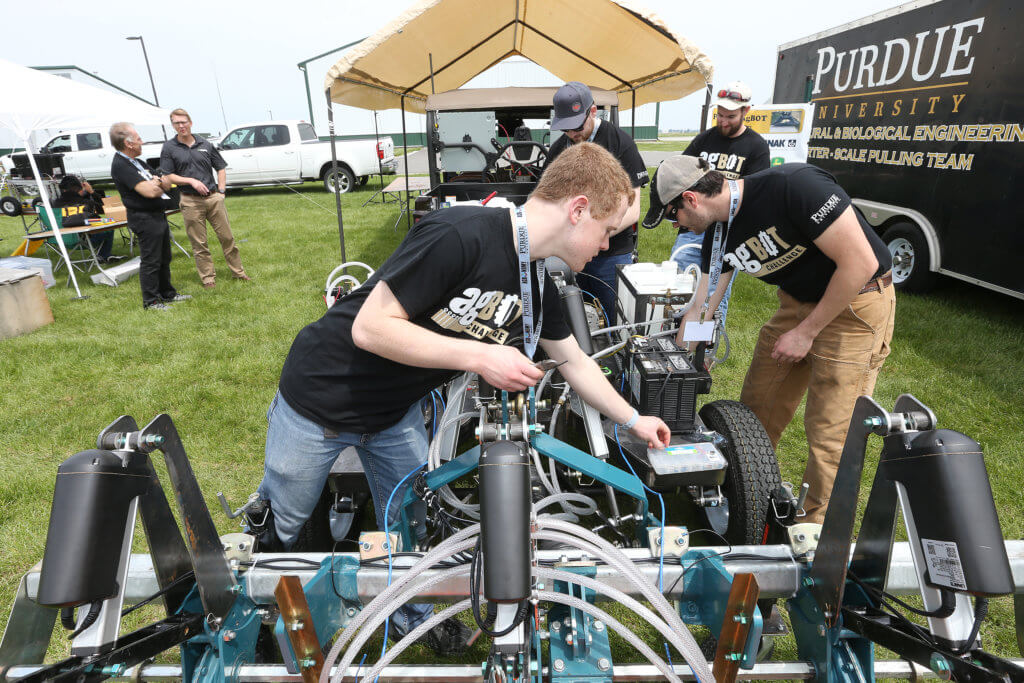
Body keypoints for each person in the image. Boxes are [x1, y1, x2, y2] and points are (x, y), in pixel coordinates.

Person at [258, 142, 670, 654]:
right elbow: (369, 328)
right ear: (578, 208)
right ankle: (260, 617)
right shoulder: (460, 233)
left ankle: (412, 617)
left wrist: (633, 418)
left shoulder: (538, 277)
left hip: (393, 414)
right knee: (286, 519)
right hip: (322, 399)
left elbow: (576, 361)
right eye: (607, 230)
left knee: (407, 520)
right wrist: (478, 357)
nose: (607, 246)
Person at [644, 155, 895, 524]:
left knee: (830, 435)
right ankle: (748, 502)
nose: (676, 225)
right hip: (797, 303)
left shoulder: (795, 186)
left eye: (672, 215)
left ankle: (813, 536)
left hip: (856, 305)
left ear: (691, 199)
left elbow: (860, 263)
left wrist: (807, 333)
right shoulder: (719, 232)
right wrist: (675, 365)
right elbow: (703, 305)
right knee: (756, 408)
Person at [656, 81, 770, 329]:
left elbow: (753, 196)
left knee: (713, 297)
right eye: (719, 115)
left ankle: (704, 354)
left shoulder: (756, 147)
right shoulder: (703, 140)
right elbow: (679, 172)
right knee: (680, 290)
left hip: (727, 234)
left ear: (745, 112)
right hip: (691, 230)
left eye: (730, 116)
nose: (723, 121)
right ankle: (675, 340)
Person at [545, 81, 647, 323]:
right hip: (570, 255)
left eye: (577, 127)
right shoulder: (558, 150)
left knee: (615, 320)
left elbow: (633, 210)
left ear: (593, 111)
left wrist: (593, 235)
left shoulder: (620, 144)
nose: (572, 134)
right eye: (566, 129)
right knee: (573, 318)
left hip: (610, 254)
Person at [160, 108, 249, 289]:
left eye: (184, 122)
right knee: (199, 243)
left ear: (190, 123)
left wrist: (221, 192)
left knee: (227, 238)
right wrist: (190, 181)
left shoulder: (205, 144)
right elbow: (168, 175)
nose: (181, 126)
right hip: (190, 200)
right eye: (177, 123)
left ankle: (238, 273)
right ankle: (208, 278)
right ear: (173, 126)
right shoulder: (169, 148)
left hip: (213, 198)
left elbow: (221, 167)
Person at [109, 122, 192, 310]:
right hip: (143, 218)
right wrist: (157, 183)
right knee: (151, 261)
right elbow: (150, 192)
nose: (142, 142)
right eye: (138, 139)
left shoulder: (138, 162)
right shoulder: (121, 165)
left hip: (157, 215)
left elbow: (167, 182)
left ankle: (167, 294)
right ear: (128, 144)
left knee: (164, 257)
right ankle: (151, 301)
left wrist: (159, 182)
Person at [53, 175, 121, 263]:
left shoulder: (54, 204)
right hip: (85, 239)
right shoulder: (85, 203)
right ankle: (104, 255)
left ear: (63, 189)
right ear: (79, 189)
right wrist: (92, 192)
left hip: (60, 239)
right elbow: (104, 209)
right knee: (109, 226)